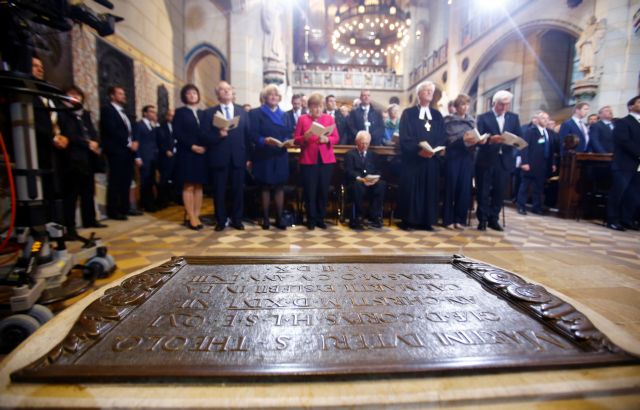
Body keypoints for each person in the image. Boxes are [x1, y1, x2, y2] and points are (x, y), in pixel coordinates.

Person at [201, 81, 251, 231]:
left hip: (238, 157)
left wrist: (248, 157)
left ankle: (237, 219)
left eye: (228, 89)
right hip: (219, 157)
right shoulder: (209, 113)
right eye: (222, 90)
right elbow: (203, 136)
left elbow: (247, 137)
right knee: (219, 191)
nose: (226, 91)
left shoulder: (242, 112)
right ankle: (221, 220)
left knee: (238, 190)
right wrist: (218, 135)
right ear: (218, 95)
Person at [57, 85, 105, 237]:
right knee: (71, 194)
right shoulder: (62, 113)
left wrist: (96, 142)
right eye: (72, 95)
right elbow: (69, 134)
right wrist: (87, 143)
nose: (76, 97)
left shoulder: (85, 114)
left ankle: (89, 219)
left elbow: (93, 132)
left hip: (88, 158)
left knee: (88, 191)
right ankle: (70, 227)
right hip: (72, 159)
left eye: (78, 95)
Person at [398, 81, 446, 231]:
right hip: (414, 159)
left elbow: (442, 136)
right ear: (419, 94)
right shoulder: (409, 113)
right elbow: (405, 136)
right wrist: (418, 151)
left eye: (431, 90)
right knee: (412, 189)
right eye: (426, 90)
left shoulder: (437, 115)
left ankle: (427, 221)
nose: (429, 92)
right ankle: (408, 220)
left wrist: (434, 150)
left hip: (431, 160)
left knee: (429, 190)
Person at [475, 90, 522, 231]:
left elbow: (519, 136)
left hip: (504, 160)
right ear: (494, 103)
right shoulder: (483, 117)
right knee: (483, 191)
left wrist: (514, 142)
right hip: (486, 159)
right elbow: (478, 139)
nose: (504, 107)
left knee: (499, 191)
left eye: (507, 104)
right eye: (501, 104)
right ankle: (482, 220)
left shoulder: (513, 118)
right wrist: (490, 139)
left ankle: (493, 219)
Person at [249, 84, 293, 230]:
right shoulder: (256, 113)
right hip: (264, 154)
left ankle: (279, 218)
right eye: (270, 94)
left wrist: (287, 141)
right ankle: (266, 219)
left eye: (276, 95)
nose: (273, 97)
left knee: (280, 186)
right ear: (265, 97)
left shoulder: (285, 115)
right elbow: (252, 134)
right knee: (265, 187)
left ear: (279, 98)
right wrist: (264, 140)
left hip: (280, 154)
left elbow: (288, 132)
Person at [294, 93, 339, 230]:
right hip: (308, 160)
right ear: (309, 107)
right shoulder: (302, 119)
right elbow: (296, 140)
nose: (318, 109)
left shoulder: (329, 118)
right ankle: (311, 219)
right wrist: (305, 137)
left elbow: (336, 137)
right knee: (310, 191)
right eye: (314, 106)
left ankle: (320, 218)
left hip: (326, 161)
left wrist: (327, 139)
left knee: (323, 190)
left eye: (320, 106)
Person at [443, 93, 484, 230]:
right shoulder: (449, 121)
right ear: (456, 106)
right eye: (462, 104)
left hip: (467, 157)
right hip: (453, 157)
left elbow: (475, 137)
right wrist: (463, 139)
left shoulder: (472, 121)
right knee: (451, 188)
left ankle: (459, 219)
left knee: (464, 188)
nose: (465, 107)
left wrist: (479, 141)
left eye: (467, 104)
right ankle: (448, 219)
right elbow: (448, 139)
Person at [100, 85, 142, 220]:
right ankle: (113, 211)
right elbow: (112, 130)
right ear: (112, 96)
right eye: (120, 93)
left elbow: (132, 130)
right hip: (116, 150)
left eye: (123, 94)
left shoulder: (125, 113)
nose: (123, 96)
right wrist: (128, 143)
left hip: (128, 151)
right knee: (115, 181)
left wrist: (135, 141)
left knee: (126, 180)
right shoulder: (107, 110)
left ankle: (125, 208)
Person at [173, 84, 207, 230]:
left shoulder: (203, 113)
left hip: (202, 153)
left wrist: (206, 146)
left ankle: (197, 215)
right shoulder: (180, 112)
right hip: (187, 153)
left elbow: (207, 132)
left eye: (194, 93)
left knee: (199, 185)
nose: (192, 95)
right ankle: (191, 217)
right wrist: (192, 146)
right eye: (189, 93)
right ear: (184, 96)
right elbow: (177, 133)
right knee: (189, 185)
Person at [606, 95, 640, 231]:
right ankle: (612, 220)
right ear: (631, 106)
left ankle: (627, 219)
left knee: (634, 194)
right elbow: (624, 141)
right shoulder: (623, 122)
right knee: (618, 192)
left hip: (637, 165)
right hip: (624, 164)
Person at [517, 111, 556, 215]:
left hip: (543, 164)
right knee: (525, 186)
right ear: (538, 120)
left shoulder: (549, 133)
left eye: (547, 119)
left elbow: (551, 149)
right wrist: (525, 162)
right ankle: (521, 206)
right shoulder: (530, 131)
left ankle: (536, 207)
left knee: (538, 187)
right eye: (543, 118)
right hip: (531, 163)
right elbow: (524, 147)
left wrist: (552, 163)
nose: (546, 120)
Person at [344, 131, 385, 229]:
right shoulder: (350, 154)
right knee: (357, 186)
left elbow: (379, 170)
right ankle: (359, 216)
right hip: (357, 182)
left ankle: (375, 216)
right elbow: (349, 171)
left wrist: (375, 178)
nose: (364, 146)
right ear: (357, 142)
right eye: (362, 143)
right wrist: (360, 179)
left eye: (367, 143)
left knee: (382, 184)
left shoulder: (374, 155)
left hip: (371, 182)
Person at [133, 105, 159, 212]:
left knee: (151, 180)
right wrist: (137, 157)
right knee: (145, 181)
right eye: (151, 111)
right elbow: (136, 141)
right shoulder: (139, 125)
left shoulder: (152, 125)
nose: (153, 114)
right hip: (144, 156)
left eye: (154, 112)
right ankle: (146, 204)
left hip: (152, 157)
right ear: (145, 113)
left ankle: (150, 202)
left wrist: (156, 124)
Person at [156, 109, 175, 209]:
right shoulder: (161, 127)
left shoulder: (177, 126)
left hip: (177, 156)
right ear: (167, 116)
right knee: (164, 179)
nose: (173, 118)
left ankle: (173, 198)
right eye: (171, 115)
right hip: (166, 157)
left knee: (174, 179)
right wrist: (166, 150)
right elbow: (161, 141)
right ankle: (162, 201)